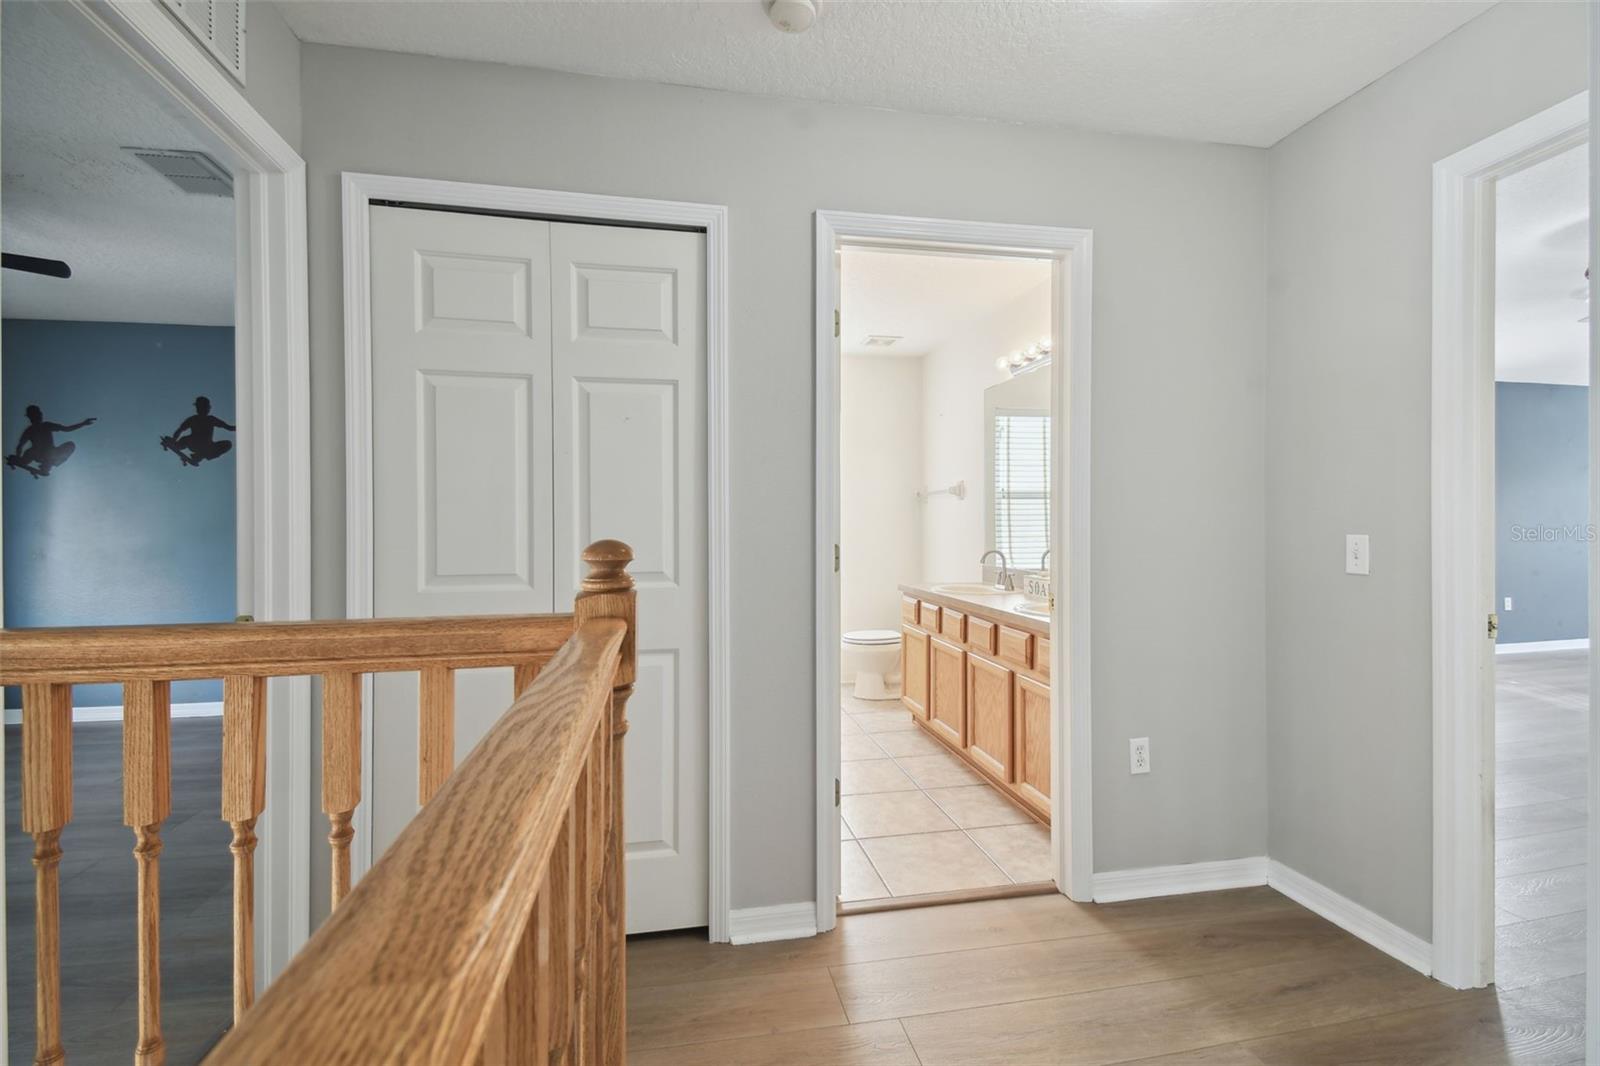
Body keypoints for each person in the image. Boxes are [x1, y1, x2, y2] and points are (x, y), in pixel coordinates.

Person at [5, 404, 95, 477]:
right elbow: (20, 446)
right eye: (38, 415)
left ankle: (47, 464)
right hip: (38, 453)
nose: (40, 416)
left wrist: (83, 424)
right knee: (31, 452)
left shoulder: (46, 425)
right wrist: (18, 458)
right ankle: (44, 464)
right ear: (32, 417)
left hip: (50, 454)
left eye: (40, 414)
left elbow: (67, 429)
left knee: (70, 445)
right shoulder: (31, 430)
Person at [164, 395, 234, 466]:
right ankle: (182, 447)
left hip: (205, 446)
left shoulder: (209, 419)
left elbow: (229, 427)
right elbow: (180, 430)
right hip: (198, 444)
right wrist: (173, 440)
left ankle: (199, 455)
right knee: (185, 439)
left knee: (227, 444)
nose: (201, 409)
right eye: (199, 407)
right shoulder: (198, 419)